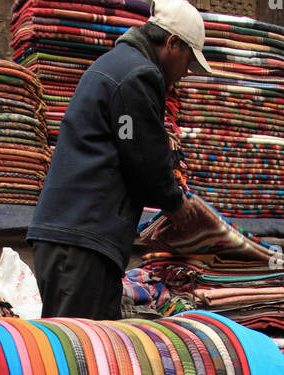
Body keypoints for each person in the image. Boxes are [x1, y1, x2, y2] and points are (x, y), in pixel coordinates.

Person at [28, 0, 210, 320]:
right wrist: (176, 203)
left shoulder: (117, 64)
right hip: (83, 239)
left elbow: (129, 145)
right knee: (82, 350)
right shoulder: (139, 75)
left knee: (72, 346)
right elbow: (141, 154)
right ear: (172, 43)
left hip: (70, 235)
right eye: (187, 60)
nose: (185, 72)